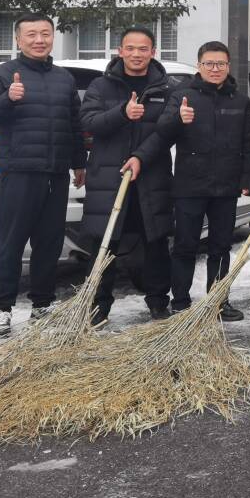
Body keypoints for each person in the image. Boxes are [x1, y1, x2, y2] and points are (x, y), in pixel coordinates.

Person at [0, 13, 86, 338]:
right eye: (31, 34)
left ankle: (43, 305)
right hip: (19, 173)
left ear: (53, 36)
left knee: (49, 244)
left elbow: (75, 125)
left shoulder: (64, 78)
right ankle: (1, 310)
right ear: (18, 39)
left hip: (56, 173)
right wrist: (7, 99)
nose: (39, 40)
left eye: (45, 33)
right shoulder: (2, 74)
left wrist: (79, 163)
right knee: (10, 244)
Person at [80, 25, 176, 326]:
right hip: (108, 179)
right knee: (104, 243)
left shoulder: (166, 88)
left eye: (143, 49)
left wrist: (140, 157)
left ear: (153, 52)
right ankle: (97, 306)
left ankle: (158, 302)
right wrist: (122, 113)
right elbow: (89, 123)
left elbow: (167, 132)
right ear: (120, 51)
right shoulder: (100, 86)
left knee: (156, 243)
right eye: (130, 48)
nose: (136, 54)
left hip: (152, 178)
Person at [156, 41, 250, 321]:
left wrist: (248, 179)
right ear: (199, 66)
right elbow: (163, 131)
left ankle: (218, 301)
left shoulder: (239, 100)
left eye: (220, 64)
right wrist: (178, 119)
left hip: (226, 185)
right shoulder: (182, 96)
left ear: (228, 66)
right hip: (190, 184)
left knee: (221, 247)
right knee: (185, 245)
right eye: (209, 64)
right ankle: (180, 302)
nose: (215, 69)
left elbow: (248, 144)